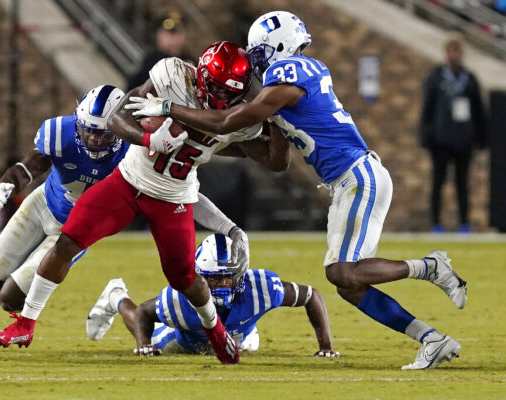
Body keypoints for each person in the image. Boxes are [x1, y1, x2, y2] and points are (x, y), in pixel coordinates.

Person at [126, 11, 469, 370]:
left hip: (357, 175)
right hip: (346, 182)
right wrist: (208, 141)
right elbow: (277, 162)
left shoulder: (291, 71)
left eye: (259, 54)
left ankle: (430, 266)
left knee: (343, 272)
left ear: (278, 47)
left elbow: (231, 119)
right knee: (349, 284)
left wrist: (170, 109)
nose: (256, 64)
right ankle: (431, 339)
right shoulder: (284, 91)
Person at [0, 41, 289, 365]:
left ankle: (216, 332)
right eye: (215, 87)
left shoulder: (237, 119)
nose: (221, 98)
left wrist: (282, 117)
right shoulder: (172, 75)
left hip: (173, 196)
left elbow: (274, 161)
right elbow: (117, 119)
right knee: (68, 240)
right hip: (128, 182)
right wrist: (149, 139)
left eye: (230, 93)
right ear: (200, 74)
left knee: (183, 277)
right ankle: (25, 324)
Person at [0, 85, 130, 360]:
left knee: (10, 298)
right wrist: (7, 183)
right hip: (42, 204)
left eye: (103, 133)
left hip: (72, 232)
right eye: (87, 129)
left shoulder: (134, 152)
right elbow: (29, 166)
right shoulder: (60, 132)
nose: (93, 138)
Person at [86, 233, 340, 359]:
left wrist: (326, 347)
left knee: (245, 344)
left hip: (240, 335)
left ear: (238, 273)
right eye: (213, 278)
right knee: (154, 339)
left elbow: (311, 295)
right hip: (187, 342)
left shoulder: (261, 288)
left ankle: (247, 331)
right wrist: (143, 345)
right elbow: (144, 312)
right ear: (199, 277)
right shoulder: (178, 300)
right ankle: (116, 296)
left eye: (226, 277)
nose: (220, 284)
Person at [419, 34, 486, 234]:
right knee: (438, 182)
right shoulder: (436, 77)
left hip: (463, 140)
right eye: (451, 51)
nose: (454, 55)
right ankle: (436, 224)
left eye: (458, 51)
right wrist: (426, 135)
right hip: (440, 140)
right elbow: (427, 108)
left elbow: (479, 110)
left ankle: (464, 223)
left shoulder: (469, 79)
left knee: (462, 183)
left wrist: (481, 137)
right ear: (446, 53)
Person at [126, 11, 187, 91]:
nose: (173, 38)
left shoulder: (186, 63)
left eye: (174, 33)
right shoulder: (152, 58)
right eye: (169, 33)